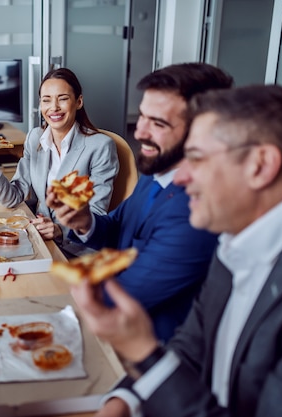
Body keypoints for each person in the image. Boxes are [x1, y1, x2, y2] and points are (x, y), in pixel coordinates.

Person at [71, 84, 282, 417]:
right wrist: (124, 401)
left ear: (260, 165)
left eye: (195, 158)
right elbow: (191, 347)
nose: (180, 178)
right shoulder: (233, 241)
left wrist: (141, 351)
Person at [48, 63, 233, 341]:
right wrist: (85, 222)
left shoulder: (195, 212)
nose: (139, 133)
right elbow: (118, 227)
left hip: (144, 347)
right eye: (143, 117)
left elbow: (119, 300)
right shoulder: (156, 172)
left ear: (202, 132)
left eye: (158, 124)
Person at [0, 67, 119, 250]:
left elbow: (95, 214)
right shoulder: (35, 138)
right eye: (46, 100)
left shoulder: (101, 146)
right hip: (38, 238)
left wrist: (59, 230)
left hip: (75, 249)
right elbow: (13, 198)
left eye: (63, 99)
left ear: (79, 102)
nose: (53, 107)